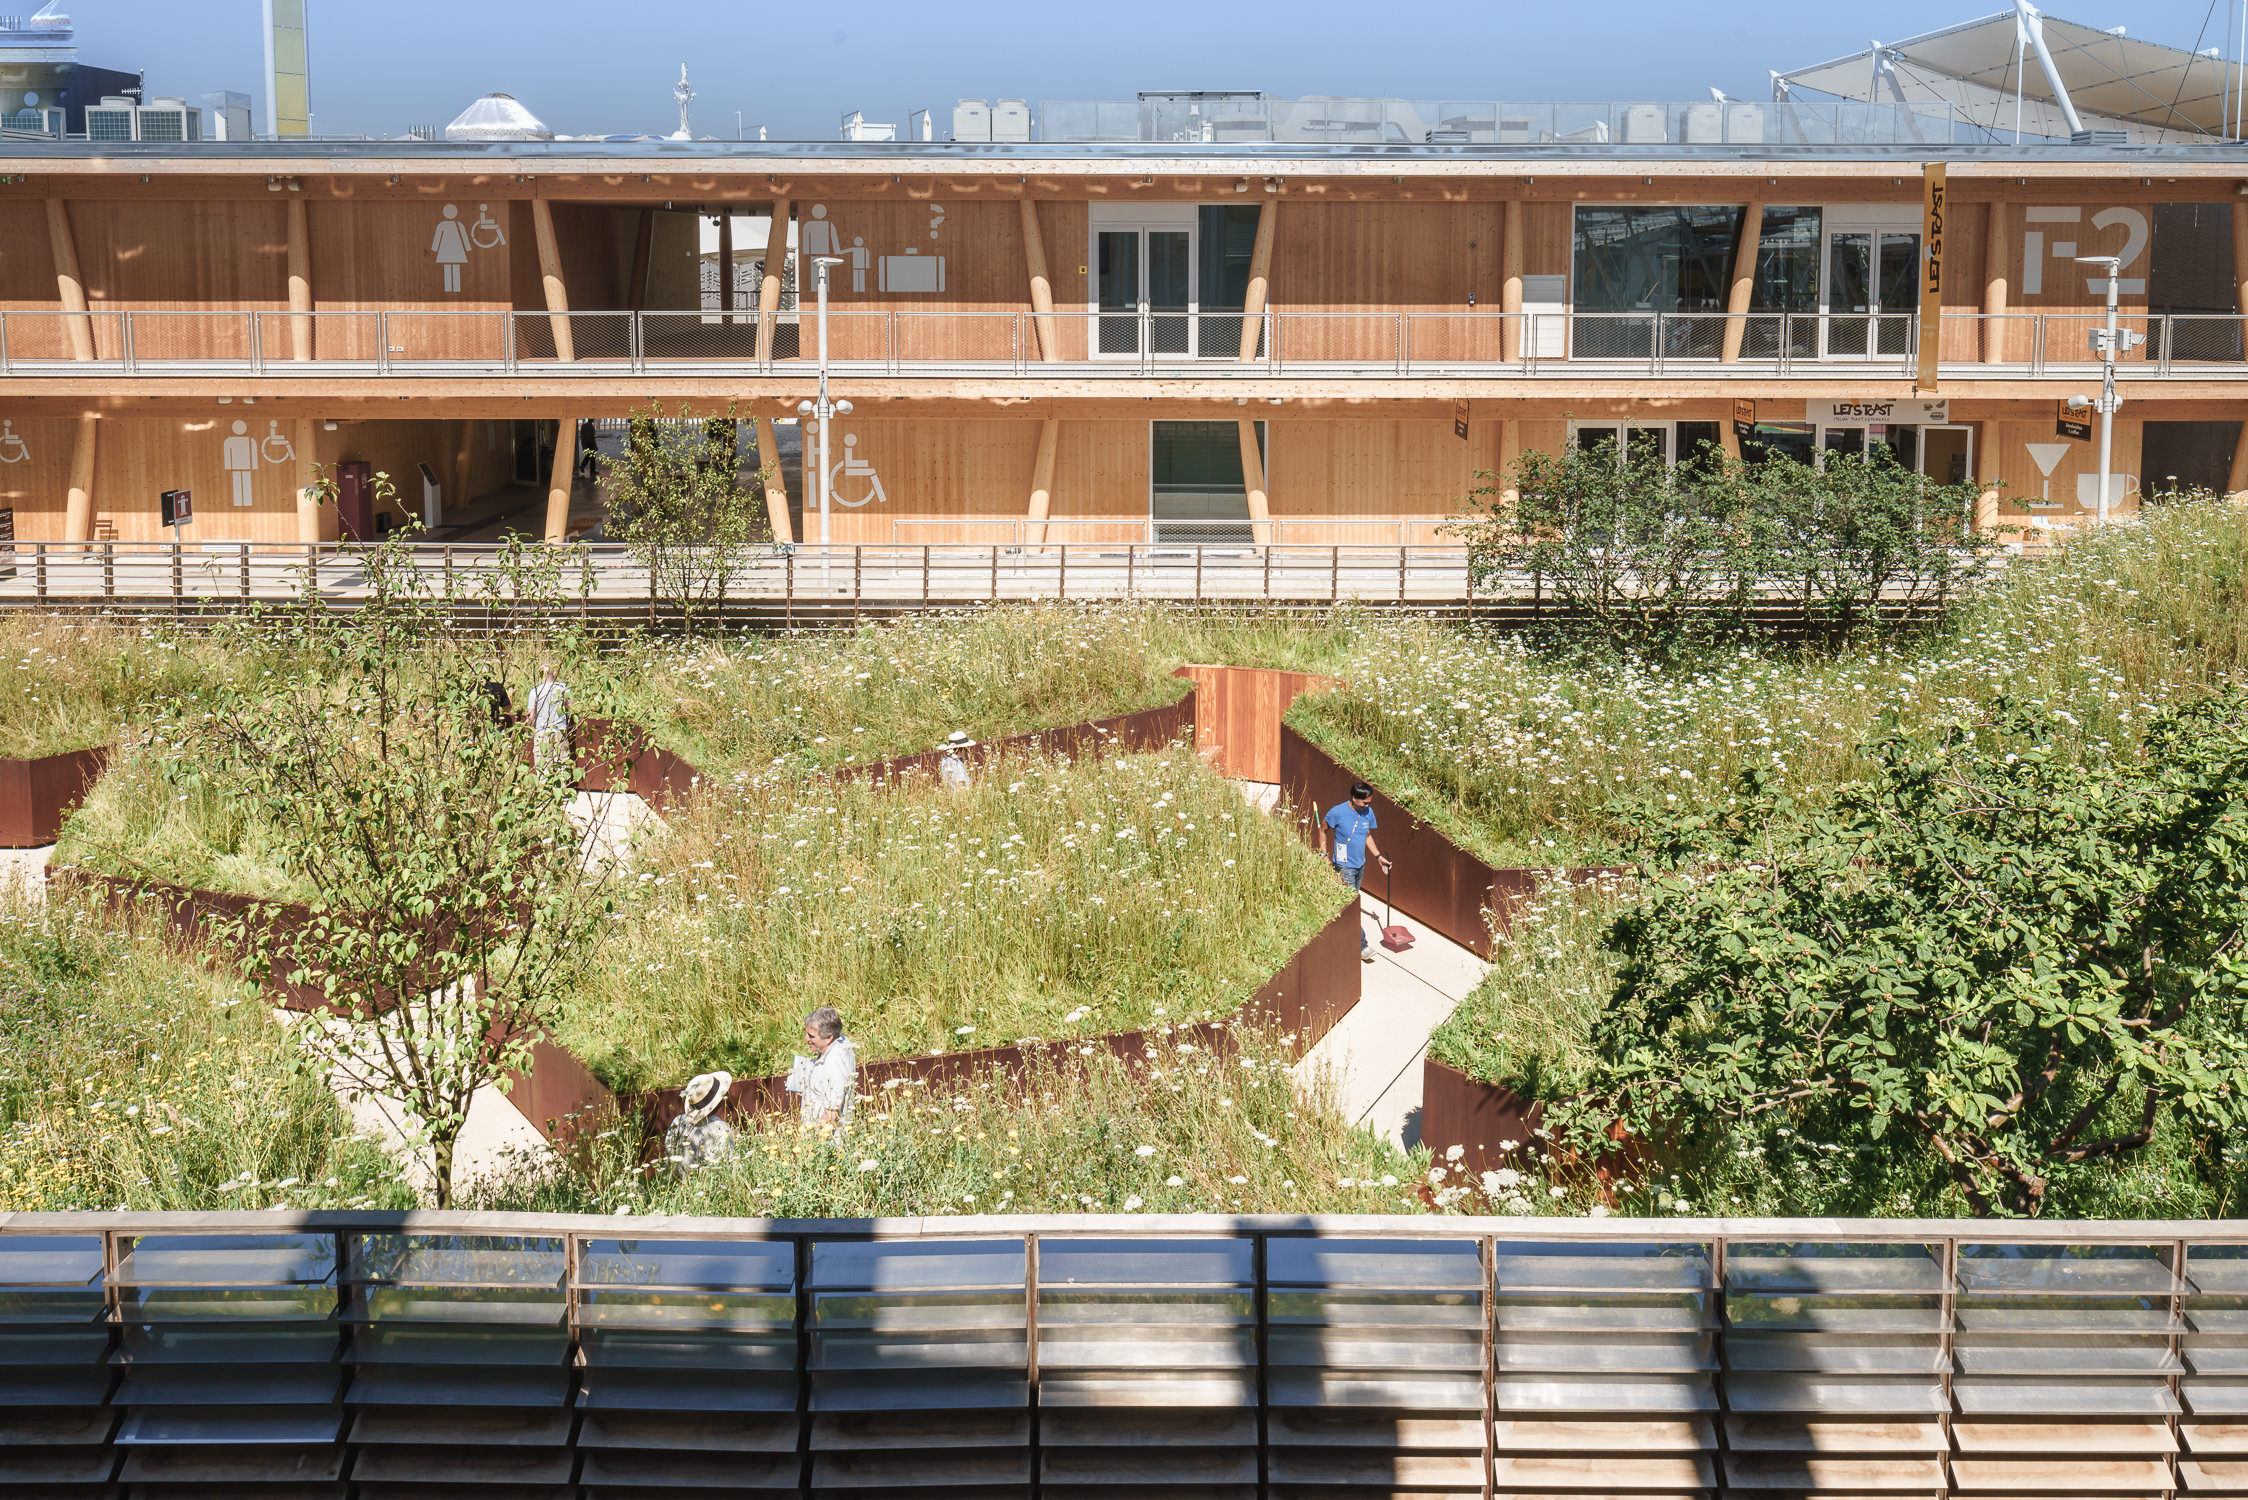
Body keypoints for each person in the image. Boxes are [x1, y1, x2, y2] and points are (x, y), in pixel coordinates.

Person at [1322, 781, 1391, 964]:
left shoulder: (1368, 812)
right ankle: (1362, 946)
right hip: (1344, 867)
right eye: (1365, 803)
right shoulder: (1337, 812)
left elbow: (1367, 836)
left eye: (1369, 802)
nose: (1368, 806)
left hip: (1360, 865)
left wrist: (1378, 857)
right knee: (1352, 906)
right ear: (1354, 798)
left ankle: (1337, 930)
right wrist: (1323, 854)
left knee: (1346, 904)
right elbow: (1323, 830)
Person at [785, 1007, 857, 1140]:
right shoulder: (836, 1041)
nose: (806, 1039)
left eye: (811, 1036)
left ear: (829, 1037)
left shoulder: (835, 1061)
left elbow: (831, 1112)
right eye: (807, 1033)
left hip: (830, 1141)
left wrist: (817, 1145)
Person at [663, 1071, 735, 1177]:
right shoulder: (721, 1128)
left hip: (684, 1186)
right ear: (719, 1101)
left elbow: (670, 1157)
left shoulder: (678, 1123)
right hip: (715, 1186)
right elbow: (731, 1168)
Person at [527, 660, 572, 778]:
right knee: (561, 765)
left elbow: (531, 715)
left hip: (542, 732)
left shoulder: (535, 691)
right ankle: (561, 793)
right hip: (560, 731)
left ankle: (544, 794)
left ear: (539, 675)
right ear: (553, 674)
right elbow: (571, 706)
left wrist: (530, 732)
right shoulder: (563, 688)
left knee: (543, 767)